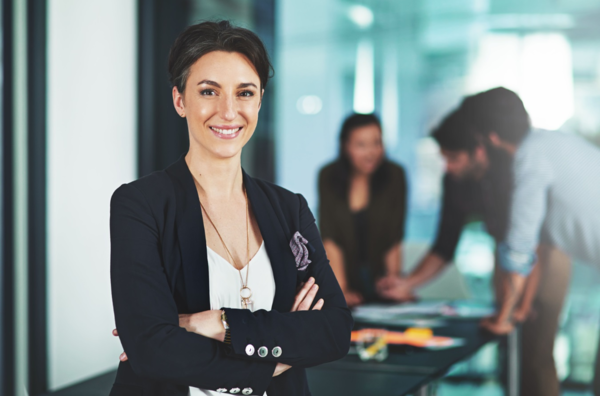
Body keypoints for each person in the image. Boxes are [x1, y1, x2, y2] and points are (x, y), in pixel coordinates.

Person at [109, 21, 352, 396]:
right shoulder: (140, 205)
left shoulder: (290, 209)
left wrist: (219, 323)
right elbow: (153, 351)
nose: (228, 111)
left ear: (259, 101)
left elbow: (334, 330)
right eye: (209, 91)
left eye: (244, 93)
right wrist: (282, 349)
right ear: (179, 100)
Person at [470, 88, 600, 396]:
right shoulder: (553, 142)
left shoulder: (531, 157)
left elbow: (521, 244)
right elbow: (539, 241)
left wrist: (503, 318)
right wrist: (519, 306)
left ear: (490, 138)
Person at [318, 113, 408, 307]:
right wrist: (340, 288)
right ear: (345, 146)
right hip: (342, 279)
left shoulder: (395, 175)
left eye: (377, 142)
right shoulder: (328, 176)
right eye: (361, 145)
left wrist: (395, 282)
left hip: (380, 279)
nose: (371, 152)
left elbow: (395, 234)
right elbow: (330, 236)